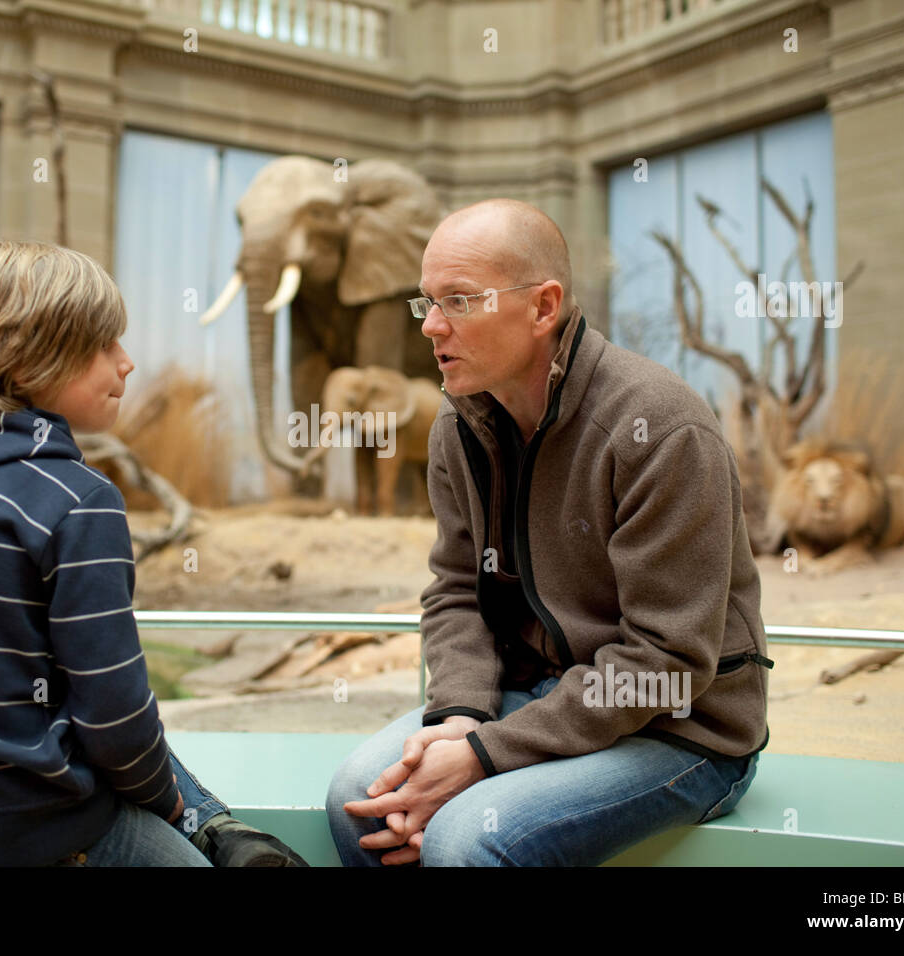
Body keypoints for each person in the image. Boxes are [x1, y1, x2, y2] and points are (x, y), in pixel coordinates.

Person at [0, 238, 306, 867]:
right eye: (105, 345)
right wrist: (172, 807)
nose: (127, 363)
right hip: (33, 829)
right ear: (27, 366)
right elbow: (115, 716)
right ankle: (209, 825)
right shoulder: (78, 499)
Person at [326, 199, 772, 866]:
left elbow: (667, 661)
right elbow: (455, 591)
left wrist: (484, 756)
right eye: (427, 304)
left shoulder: (660, 428)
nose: (432, 327)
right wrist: (461, 716)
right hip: (528, 695)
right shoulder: (457, 425)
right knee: (358, 799)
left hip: (681, 731)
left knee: (469, 838)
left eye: (459, 301)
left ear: (543, 308)